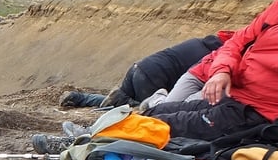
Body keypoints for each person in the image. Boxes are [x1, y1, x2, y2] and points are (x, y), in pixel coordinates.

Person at [34, 0, 278, 153]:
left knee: (166, 125)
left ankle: (82, 143)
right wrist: (222, 71)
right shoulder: (274, 10)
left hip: (253, 113)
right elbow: (236, 41)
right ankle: (92, 132)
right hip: (229, 94)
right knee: (156, 112)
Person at [59, 33, 228, 108]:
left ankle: (81, 98)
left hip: (138, 68)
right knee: (147, 109)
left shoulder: (196, 43)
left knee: (121, 99)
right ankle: (122, 102)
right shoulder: (210, 57)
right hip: (152, 79)